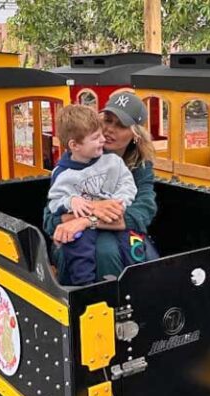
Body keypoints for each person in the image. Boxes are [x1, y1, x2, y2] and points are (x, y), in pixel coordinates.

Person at [44, 93, 159, 282]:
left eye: (120, 125)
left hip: (118, 234)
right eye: (107, 120)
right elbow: (51, 217)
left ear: (135, 134)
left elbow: (140, 214)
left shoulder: (141, 166)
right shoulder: (82, 155)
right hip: (80, 239)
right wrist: (95, 207)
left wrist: (87, 220)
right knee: (93, 248)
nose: (109, 130)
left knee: (116, 252)